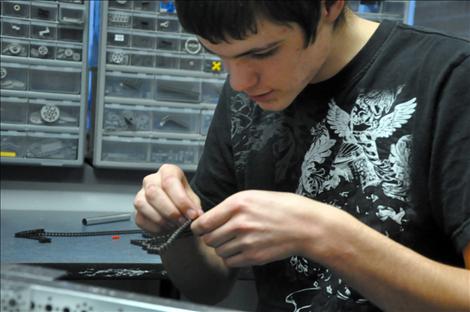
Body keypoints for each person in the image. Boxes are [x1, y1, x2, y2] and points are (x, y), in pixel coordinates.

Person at [134, 1, 470, 311]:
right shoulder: (248, 93)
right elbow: (210, 286)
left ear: (330, 5)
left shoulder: (451, 78)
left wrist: (325, 234)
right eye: (220, 55)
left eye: (263, 53)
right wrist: (172, 229)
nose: (239, 82)